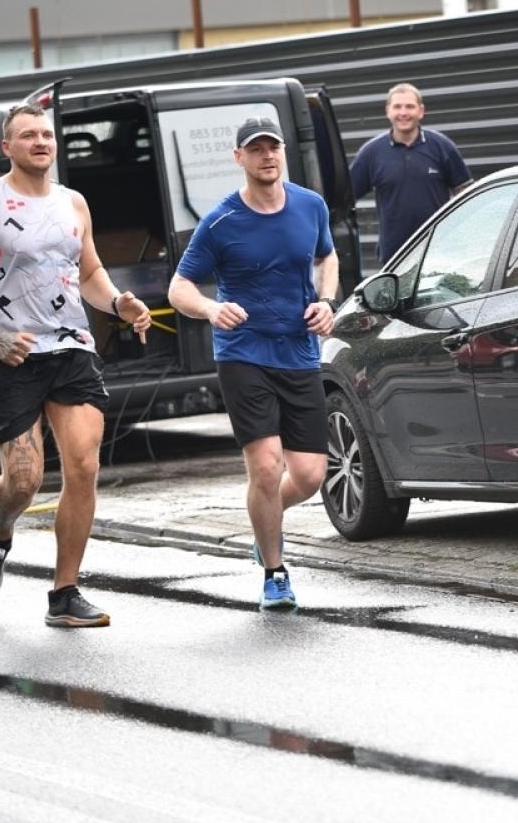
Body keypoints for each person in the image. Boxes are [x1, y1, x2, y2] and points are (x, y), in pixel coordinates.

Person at [0, 102, 152, 629]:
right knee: (24, 480)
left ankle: (65, 593)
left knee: (83, 467)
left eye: (47, 134)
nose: (41, 142)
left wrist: (118, 303)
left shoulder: (74, 203)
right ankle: (1, 528)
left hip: (71, 349)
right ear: (7, 147)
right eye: (28, 135)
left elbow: (90, 271)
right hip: (11, 356)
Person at [168, 116, 340, 611]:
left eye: (273, 147)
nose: (267, 155)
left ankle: (265, 522)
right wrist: (210, 309)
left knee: (308, 475)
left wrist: (326, 302)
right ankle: (274, 571)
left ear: (282, 152)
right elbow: (181, 287)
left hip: (299, 353)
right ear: (238, 158)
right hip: (243, 353)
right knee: (265, 468)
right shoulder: (222, 222)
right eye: (256, 149)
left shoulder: (310, 206)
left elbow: (327, 257)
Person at [349, 82, 472, 262]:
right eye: (397, 107)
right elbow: (345, 198)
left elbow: (465, 193)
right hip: (394, 257)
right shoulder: (372, 153)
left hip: (440, 251)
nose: (403, 113)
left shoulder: (441, 146)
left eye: (409, 106)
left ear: (421, 111)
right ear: (388, 111)